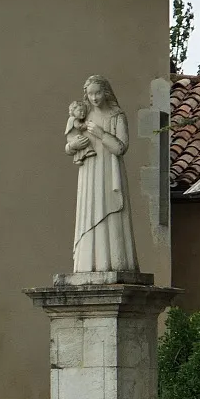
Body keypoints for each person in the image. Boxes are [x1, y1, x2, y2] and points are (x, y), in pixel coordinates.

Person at [68, 75, 137, 274]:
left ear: (106, 92)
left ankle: (114, 261)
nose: (94, 98)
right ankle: (87, 262)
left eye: (97, 93)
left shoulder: (117, 116)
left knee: (110, 213)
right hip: (89, 172)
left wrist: (101, 134)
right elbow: (69, 143)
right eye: (90, 94)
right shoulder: (82, 115)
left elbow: (121, 148)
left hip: (109, 172)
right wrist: (74, 145)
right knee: (89, 209)